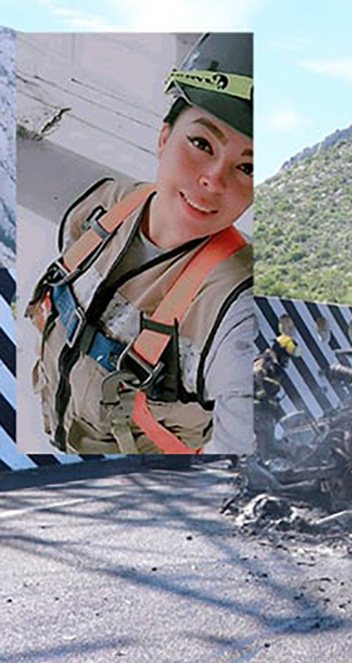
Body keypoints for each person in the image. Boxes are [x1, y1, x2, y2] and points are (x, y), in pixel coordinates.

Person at [24, 33, 253, 455]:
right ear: (164, 138)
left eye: (247, 167)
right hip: (49, 438)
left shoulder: (234, 304)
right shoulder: (102, 208)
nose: (213, 181)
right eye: (201, 143)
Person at [253, 335, 296, 452]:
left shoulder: (275, 368)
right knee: (261, 444)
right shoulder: (264, 363)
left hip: (265, 413)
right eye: (286, 356)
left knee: (268, 442)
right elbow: (255, 380)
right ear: (278, 350)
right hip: (256, 411)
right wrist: (263, 399)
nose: (287, 360)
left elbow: (271, 392)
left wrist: (274, 406)